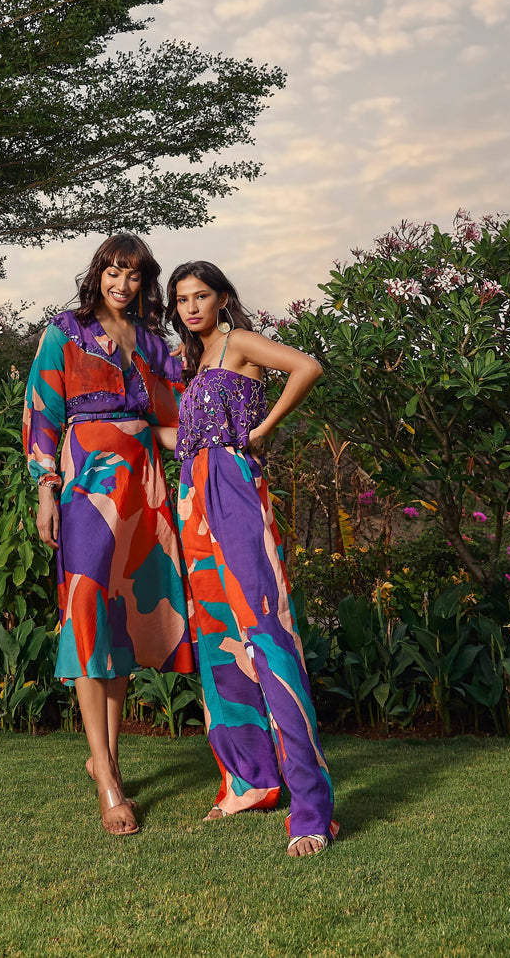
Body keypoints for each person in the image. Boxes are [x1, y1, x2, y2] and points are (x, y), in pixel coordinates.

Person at [159, 260, 338, 858]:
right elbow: (185, 435)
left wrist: (262, 428)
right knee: (216, 633)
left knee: (264, 628)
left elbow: (307, 367)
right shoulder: (192, 361)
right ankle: (251, 781)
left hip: (231, 485)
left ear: (222, 298)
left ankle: (312, 809)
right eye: (181, 298)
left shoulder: (238, 342)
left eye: (200, 295)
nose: (191, 307)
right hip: (192, 492)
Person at [24, 234, 193, 837]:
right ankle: (110, 782)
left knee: (119, 620)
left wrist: (227, 443)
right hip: (86, 486)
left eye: (134, 276)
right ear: (97, 274)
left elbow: (175, 421)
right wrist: (45, 489)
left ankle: (107, 760)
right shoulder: (64, 331)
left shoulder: (154, 343)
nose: (122, 285)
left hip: (143, 493)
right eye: (113, 273)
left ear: (146, 282)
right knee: (88, 610)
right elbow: (43, 412)